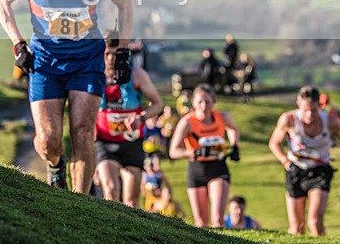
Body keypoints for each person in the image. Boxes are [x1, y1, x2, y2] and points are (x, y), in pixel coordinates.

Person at [0, 0, 134, 194]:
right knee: (48, 140)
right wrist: (18, 44)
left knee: (83, 132)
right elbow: (2, 0)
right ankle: (56, 167)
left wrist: (122, 51)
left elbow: (125, 4)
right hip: (45, 60)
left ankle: (79, 203)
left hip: (87, 60)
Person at [268, 86, 340, 236]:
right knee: (296, 227)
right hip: (295, 170)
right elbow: (274, 143)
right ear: (298, 104)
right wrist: (286, 162)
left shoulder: (331, 121)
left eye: (313, 110)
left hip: (319, 171)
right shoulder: (289, 120)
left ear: (320, 106)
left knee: (314, 221)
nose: (309, 115)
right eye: (305, 110)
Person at [95, 30, 163, 207]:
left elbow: (158, 103)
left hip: (131, 140)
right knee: (110, 190)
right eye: (107, 54)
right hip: (104, 141)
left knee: (131, 200)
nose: (110, 59)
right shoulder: (94, 74)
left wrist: (141, 118)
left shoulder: (137, 75)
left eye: (115, 54)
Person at [169, 83, 241, 228]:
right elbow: (173, 151)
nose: (204, 106)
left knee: (217, 220)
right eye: (200, 102)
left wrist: (235, 146)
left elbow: (233, 128)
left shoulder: (222, 117)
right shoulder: (187, 122)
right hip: (197, 169)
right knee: (201, 222)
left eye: (208, 102)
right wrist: (195, 153)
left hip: (218, 167)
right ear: (194, 103)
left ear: (213, 102)